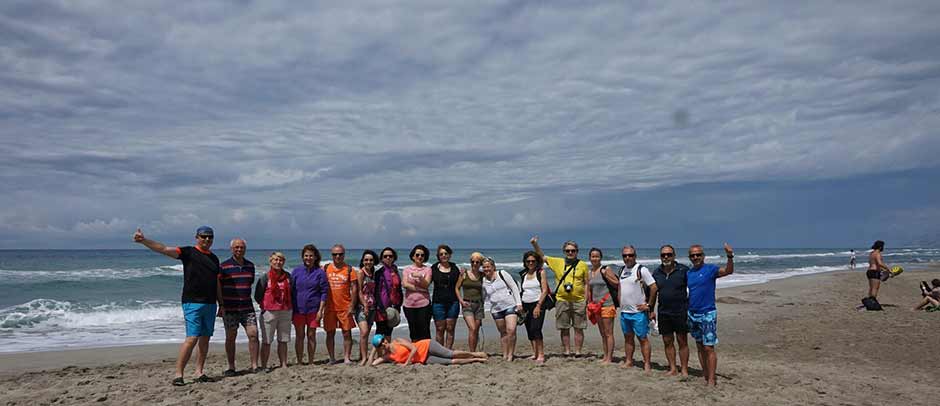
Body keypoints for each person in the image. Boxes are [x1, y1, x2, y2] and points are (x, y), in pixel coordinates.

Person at [133, 226, 221, 386]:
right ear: (197, 237)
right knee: (192, 338)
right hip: (192, 302)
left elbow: (217, 283)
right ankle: (178, 374)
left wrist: (221, 304)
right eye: (203, 237)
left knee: (205, 339)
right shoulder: (188, 252)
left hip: (210, 304)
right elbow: (164, 249)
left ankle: (199, 372)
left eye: (210, 237)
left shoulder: (214, 259)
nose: (207, 240)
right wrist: (144, 241)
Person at [530, 236, 589, 356]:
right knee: (564, 327)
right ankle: (567, 351)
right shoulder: (558, 262)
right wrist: (535, 244)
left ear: (577, 251)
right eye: (568, 251)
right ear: (564, 252)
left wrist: (586, 300)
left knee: (579, 328)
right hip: (562, 300)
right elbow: (542, 256)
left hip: (579, 301)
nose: (570, 253)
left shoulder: (583, 265)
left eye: (573, 250)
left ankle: (578, 351)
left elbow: (587, 283)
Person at [687, 243, 735, 386]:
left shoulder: (710, 269)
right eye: (692, 255)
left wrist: (730, 256)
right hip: (692, 313)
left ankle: (712, 379)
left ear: (703, 256)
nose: (695, 257)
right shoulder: (688, 273)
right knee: (700, 345)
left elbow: (728, 271)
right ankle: (706, 374)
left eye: (698, 254)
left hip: (707, 313)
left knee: (709, 347)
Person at [218, 238, 260, 376]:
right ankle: (231, 367)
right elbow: (218, 286)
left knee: (253, 334)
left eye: (241, 247)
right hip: (230, 308)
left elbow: (250, 284)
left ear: (245, 249)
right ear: (231, 249)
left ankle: (255, 365)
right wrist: (221, 305)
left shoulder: (250, 266)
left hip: (247, 307)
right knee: (231, 337)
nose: (239, 249)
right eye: (236, 247)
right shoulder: (223, 266)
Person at [649, 244, 691, 376]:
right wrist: (651, 310)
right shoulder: (656, 272)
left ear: (674, 256)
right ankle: (673, 368)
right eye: (663, 255)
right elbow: (653, 292)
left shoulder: (684, 270)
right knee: (667, 341)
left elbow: (694, 288)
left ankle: (684, 369)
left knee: (682, 341)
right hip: (663, 312)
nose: (666, 257)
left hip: (680, 311)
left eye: (669, 254)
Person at [617, 246, 658, 371]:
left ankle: (647, 364)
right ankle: (629, 360)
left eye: (630, 255)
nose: (627, 258)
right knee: (628, 338)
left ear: (635, 256)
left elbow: (654, 287)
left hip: (638, 312)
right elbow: (620, 288)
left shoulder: (641, 270)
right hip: (625, 312)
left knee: (642, 338)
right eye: (625, 255)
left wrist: (649, 305)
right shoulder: (621, 270)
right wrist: (620, 302)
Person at [253, 252, 293, 372]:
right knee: (267, 341)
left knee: (283, 340)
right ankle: (264, 365)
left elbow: (293, 293)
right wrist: (265, 307)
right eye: (275, 260)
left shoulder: (288, 277)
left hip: (285, 311)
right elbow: (258, 295)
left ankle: (284, 364)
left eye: (280, 260)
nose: (278, 262)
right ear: (270, 261)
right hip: (269, 312)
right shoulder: (265, 277)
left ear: (283, 262)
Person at [291, 244, 329, 365]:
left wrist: (320, 310)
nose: (308, 258)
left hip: (314, 309)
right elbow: (291, 291)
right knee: (300, 336)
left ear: (315, 257)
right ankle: (299, 361)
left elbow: (324, 292)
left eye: (311, 256)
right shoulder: (296, 271)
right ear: (303, 257)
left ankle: (311, 361)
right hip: (298, 309)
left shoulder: (320, 273)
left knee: (311, 335)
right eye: (306, 256)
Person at [481, 257, 523, 361]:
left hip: (510, 306)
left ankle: (510, 354)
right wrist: (480, 307)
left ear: (493, 267)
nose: (486, 269)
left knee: (511, 330)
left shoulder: (502, 274)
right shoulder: (483, 281)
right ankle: (505, 353)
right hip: (496, 309)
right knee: (503, 332)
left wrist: (518, 303)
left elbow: (514, 287)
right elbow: (484, 296)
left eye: (488, 267)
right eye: (484, 267)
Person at [323, 244, 359, 365]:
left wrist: (352, 306)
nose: (337, 256)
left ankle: (347, 358)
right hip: (329, 307)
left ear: (344, 254)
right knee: (330, 333)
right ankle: (332, 358)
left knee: (346, 333)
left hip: (345, 306)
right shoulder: (325, 268)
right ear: (331, 255)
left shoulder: (349, 269)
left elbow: (354, 289)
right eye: (335, 254)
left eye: (340, 254)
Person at [586, 248, 620, 364]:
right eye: (592, 256)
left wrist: (607, 275)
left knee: (608, 332)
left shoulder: (606, 269)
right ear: (589, 258)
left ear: (601, 258)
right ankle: (605, 356)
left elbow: (617, 283)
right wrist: (588, 302)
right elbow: (589, 289)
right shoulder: (589, 273)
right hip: (596, 306)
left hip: (607, 304)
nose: (594, 258)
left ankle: (609, 358)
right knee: (602, 333)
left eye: (597, 256)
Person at [368, 334, 487, 366]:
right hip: (423, 359)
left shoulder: (397, 341)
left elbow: (413, 348)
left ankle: (473, 353)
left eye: (383, 340)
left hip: (426, 345)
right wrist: (374, 349)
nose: (384, 343)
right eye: (380, 344)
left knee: (449, 354)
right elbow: (372, 364)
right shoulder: (388, 356)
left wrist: (406, 363)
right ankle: (476, 359)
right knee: (450, 362)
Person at [519, 251, 550, 363]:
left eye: (533, 261)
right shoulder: (523, 274)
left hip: (538, 303)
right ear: (525, 262)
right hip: (526, 304)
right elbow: (522, 290)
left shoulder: (541, 272)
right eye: (528, 261)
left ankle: (541, 354)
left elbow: (545, 290)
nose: (531, 263)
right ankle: (535, 353)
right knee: (529, 330)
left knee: (536, 329)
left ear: (537, 262)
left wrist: (538, 305)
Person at [431, 244, 460, 349]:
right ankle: (440, 351)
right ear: (438, 256)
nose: (443, 256)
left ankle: (448, 351)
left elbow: (460, 284)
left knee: (450, 328)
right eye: (441, 254)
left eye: (446, 253)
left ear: (450, 255)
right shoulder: (433, 268)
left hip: (453, 302)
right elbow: (426, 283)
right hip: (438, 303)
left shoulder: (455, 268)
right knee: (440, 328)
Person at [455, 252, 485, 352]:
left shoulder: (482, 275)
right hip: (467, 304)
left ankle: (474, 351)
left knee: (475, 330)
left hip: (479, 305)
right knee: (472, 328)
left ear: (480, 263)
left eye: (477, 262)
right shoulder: (464, 274)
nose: (475, 264)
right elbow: (456, 288)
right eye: (473, 262)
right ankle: (472, 353)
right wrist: (461, 300)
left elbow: (492, 272)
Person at [402, 244, 433, 341]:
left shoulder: (427, 269)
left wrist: (420, 277)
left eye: (422, 255)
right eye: (417, 255)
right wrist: (420, 289)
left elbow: (426, 285)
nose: (420, 257)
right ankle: (416, 352)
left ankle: (426, 353)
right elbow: (405, 284)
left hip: (424, 304)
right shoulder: (407, 269)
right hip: (409, 305)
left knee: (424, 330)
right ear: (413, 256)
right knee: (413, 330)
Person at [355, 250, 380, 365]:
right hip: (362, 306)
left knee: (366, 333)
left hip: (373, 306)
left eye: (370, 260)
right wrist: (364, 305)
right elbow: (359, 291)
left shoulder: (374, 273)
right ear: (363, 261)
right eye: (366, 260)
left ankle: (362, 355)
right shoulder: (361, 272)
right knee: (364, 332)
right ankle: (364, 358)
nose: (368, 262)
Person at [373, 247, 403, 337]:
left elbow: (399, 289)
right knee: (380, 333)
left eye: (390, 256)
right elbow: (376, 292)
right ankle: (374, 352)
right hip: (382, 307)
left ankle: (386, 351)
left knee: (388, 333)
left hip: (393, 306)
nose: (388, 258)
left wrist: (399, 304)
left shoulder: (395, 271)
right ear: (382, 258)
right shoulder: (379, 272)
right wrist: (380, 307)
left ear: (394, 258)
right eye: (385, 256)